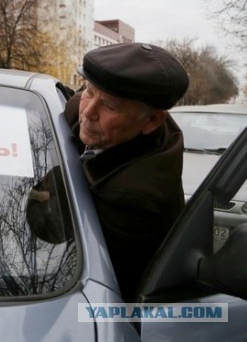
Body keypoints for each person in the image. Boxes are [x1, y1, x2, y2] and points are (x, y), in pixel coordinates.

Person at [63, 42, 189, 302]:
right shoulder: (135, 120)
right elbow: (82, 104)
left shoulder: (134, 196)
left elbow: (55, 239)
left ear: (153, 120)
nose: (88, 112)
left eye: (109, 105)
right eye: (88, 91)